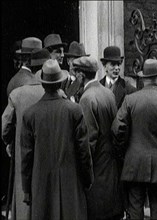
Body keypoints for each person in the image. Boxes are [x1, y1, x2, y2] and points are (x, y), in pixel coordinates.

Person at [20, 59, 93, 220]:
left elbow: (26, 157)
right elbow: (84, 151)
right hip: (71, 184)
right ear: (60, 83)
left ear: (43, 84)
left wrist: (27, 189)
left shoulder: (30, 114)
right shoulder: (74, 110)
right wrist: (87, 179)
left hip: (41, 186)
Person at [111, 59, 157, 219]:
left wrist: (124, 151)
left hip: (134, 163)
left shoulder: (130, 100)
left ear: (143, 79)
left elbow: (117, 130)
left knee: (135, 209)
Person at [73, 56, 123, 220]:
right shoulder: (108, 93)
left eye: (76, 75)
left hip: (97, 170)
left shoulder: (87, 99)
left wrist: (83, 172)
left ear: (81, 75)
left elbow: (88, 142)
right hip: (110, 166)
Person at [2, 48, 49, 220]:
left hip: (23, 153)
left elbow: (5, 125)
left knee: (23, 195)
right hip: (48, 154)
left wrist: (9, 142)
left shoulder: (17, 94)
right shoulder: (56, 94)